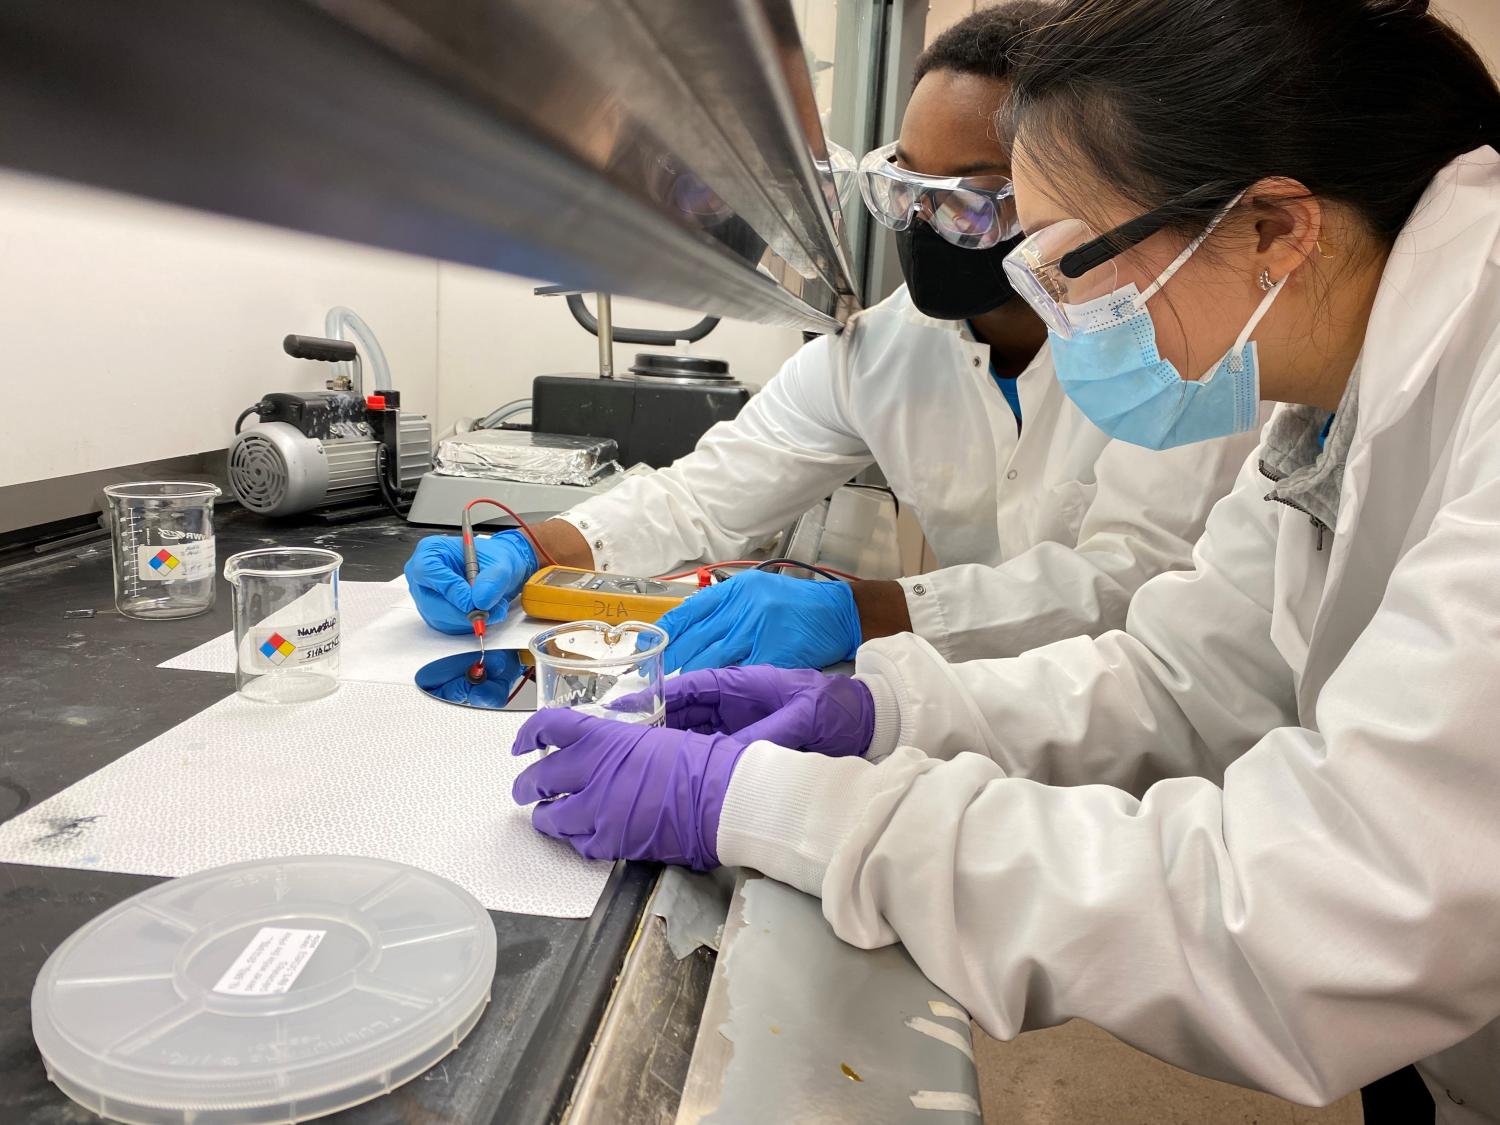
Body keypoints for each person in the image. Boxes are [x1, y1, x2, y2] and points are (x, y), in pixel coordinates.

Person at [510, 0, 1500, 1119]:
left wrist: (795, 810)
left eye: (1068, 260)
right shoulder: (1324, 406)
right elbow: (1181, 678)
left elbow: (1325, 913)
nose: (1058, 310)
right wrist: (879, 713)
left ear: (1275, 228)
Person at [404, 1, 1260, 673]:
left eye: (965, 201)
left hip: (1138, 742)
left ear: (1049, 200)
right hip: (968, 707)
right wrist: (531, 545)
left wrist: (868, 610)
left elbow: (1127, 582)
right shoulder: (881, 350)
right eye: (906, 191)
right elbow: (706, 495)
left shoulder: (1171, 356)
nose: (923, 225)